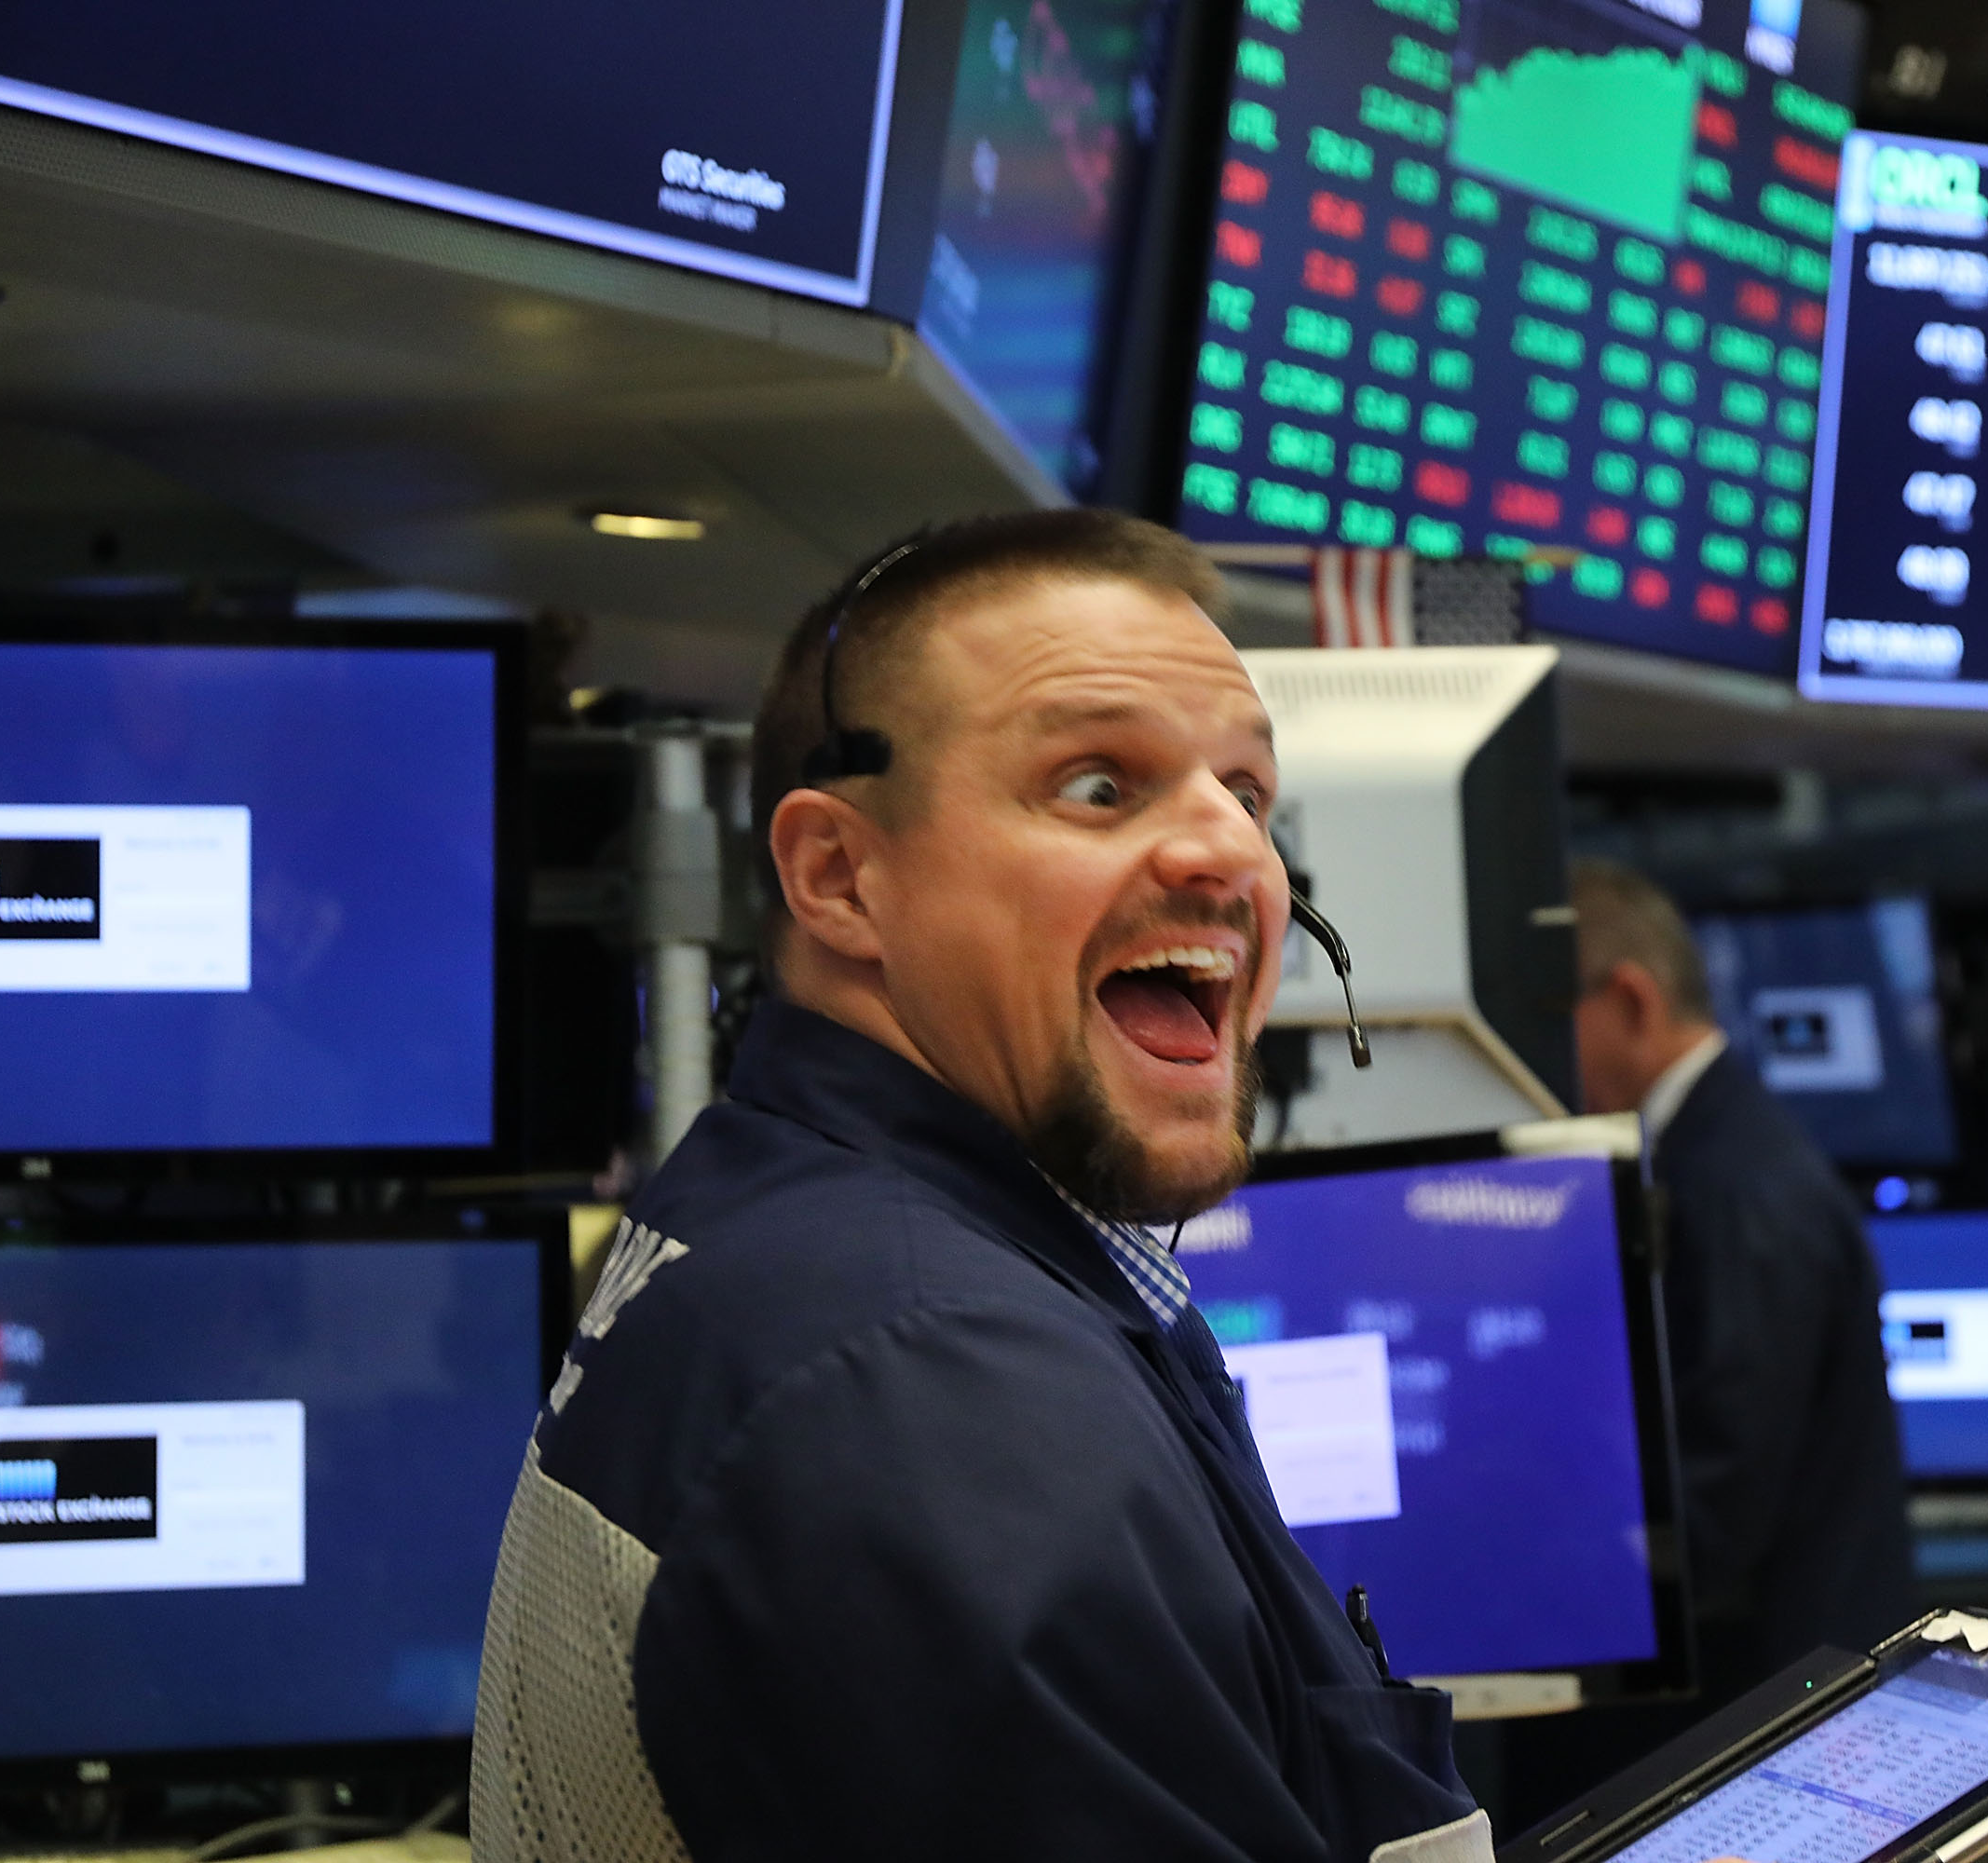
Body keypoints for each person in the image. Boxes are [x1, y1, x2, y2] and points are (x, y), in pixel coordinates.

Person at [471, 510, 1488, 1863]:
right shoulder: (936, 1382)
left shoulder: (794, 1210)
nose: (1234, 858)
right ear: (841, 876)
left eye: (1246, 793)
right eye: (1096, 787)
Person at [1505, 862, 1913, 1828]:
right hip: (1776, 1684)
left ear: (1630, 997)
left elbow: (1723, 1489)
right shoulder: (1726, 1153)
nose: (1544, 1053)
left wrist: (1533, 1576)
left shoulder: (1734, 1186)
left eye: (1554, 1013)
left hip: (1772, 1697)